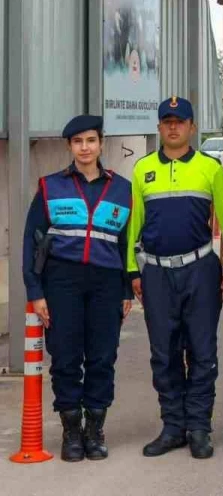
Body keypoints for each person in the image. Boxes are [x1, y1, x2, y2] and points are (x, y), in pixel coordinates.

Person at [22, 115, 134, 462]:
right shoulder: (49, 186)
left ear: (101, 144)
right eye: (77, 142)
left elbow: (126, 243)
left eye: (90, 141)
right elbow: (30, 242)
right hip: (61, 282)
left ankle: (94, 429)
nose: (84, 148)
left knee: (102, 357)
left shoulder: (122, 189)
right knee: (66, 357)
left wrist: (127, 290)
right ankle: (71, 430)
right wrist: (35, 291)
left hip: (106, 283)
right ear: (69, 146)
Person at [130, 97, 223, 460]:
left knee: (202, 352)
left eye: (180, 121)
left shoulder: (211, 168)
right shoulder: (142, 169)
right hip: (156, 273)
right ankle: (173, 426)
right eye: (167, 122)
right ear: (159, 127)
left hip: (200, 270)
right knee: (163, 353)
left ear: (191, 127)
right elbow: (134, 226)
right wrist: (131, 271)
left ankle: (199, 426)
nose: (173, 127)